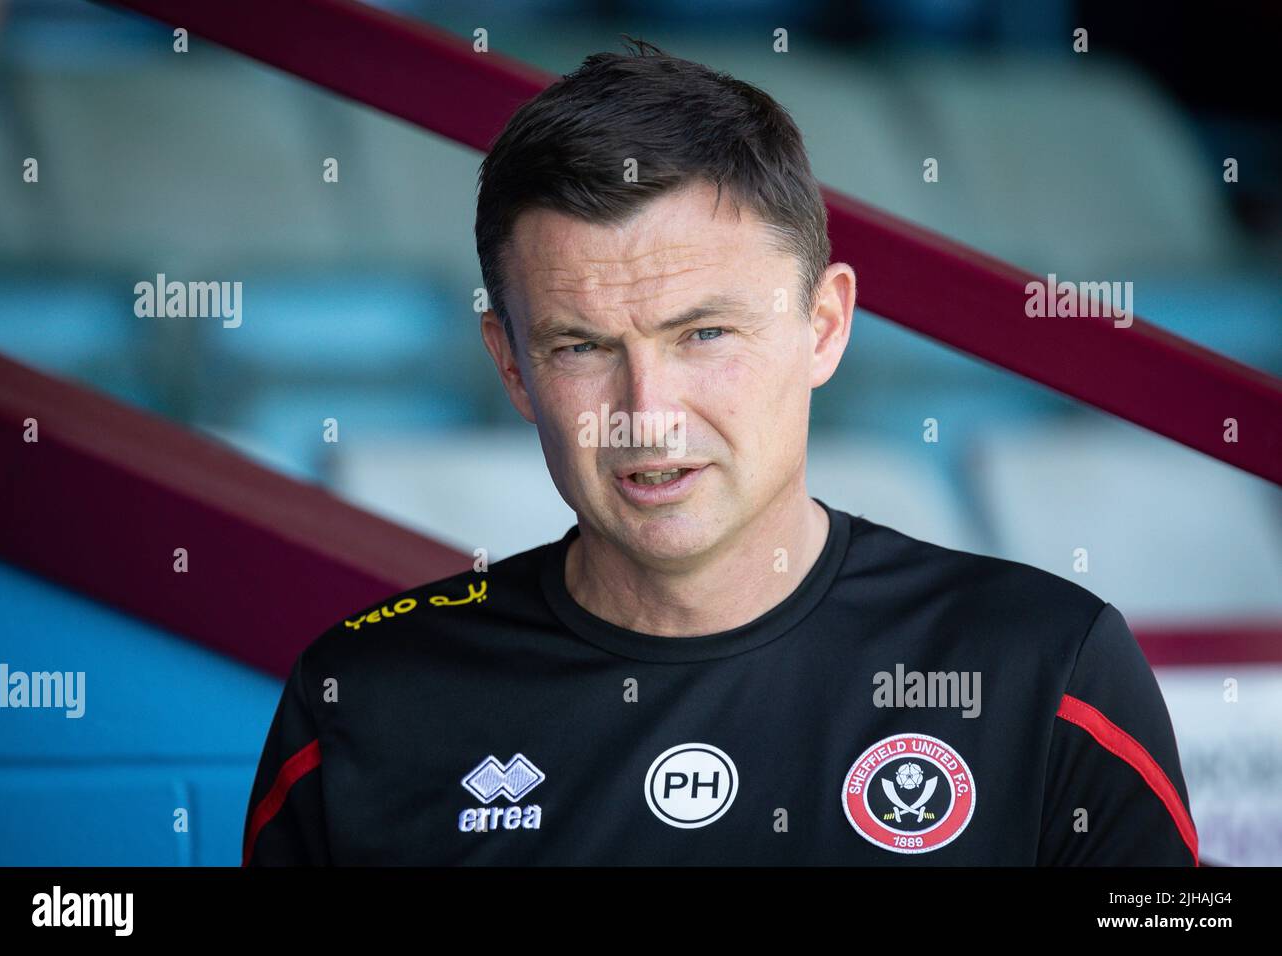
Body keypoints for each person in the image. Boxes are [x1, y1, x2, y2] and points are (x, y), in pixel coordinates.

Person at [242, 40, 1197, 866]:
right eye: (582, 347)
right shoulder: (361, 703)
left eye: (704, 335)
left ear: (824, 326)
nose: (647, 417)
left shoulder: (1046, 671)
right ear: (512, 366)